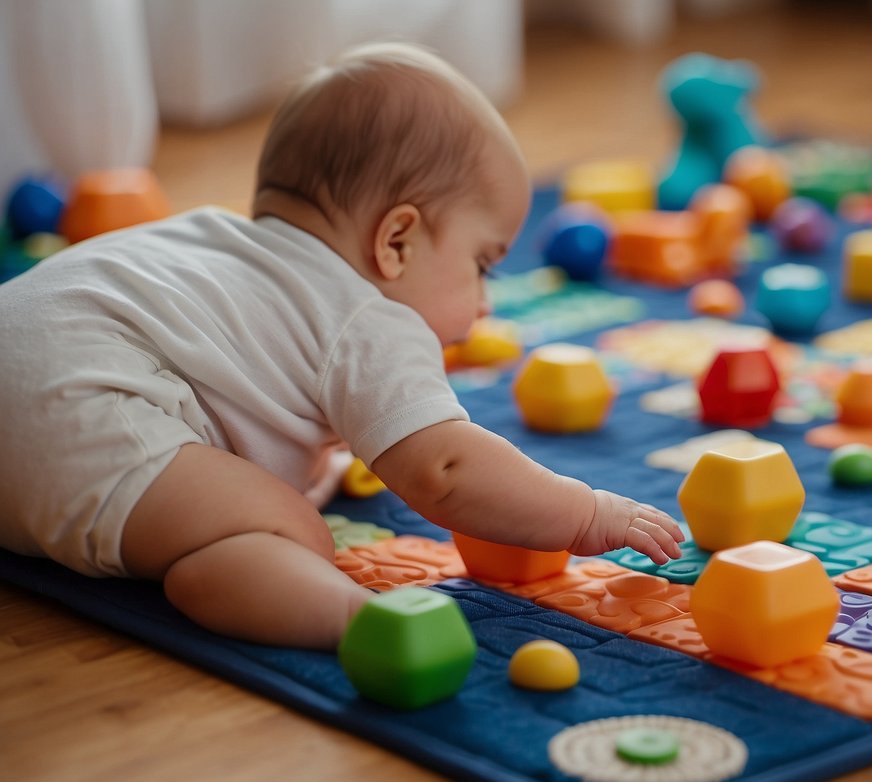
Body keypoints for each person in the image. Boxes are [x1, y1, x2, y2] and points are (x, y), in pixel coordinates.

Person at [0, 43, 683, 650]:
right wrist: (585, 512)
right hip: (80, 413)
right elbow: (445, 469)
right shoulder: (368, 316)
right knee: (287, 524)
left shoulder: (205, 233)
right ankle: (352, 620)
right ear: (395, 242)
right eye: (482, 264)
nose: (484, 302)